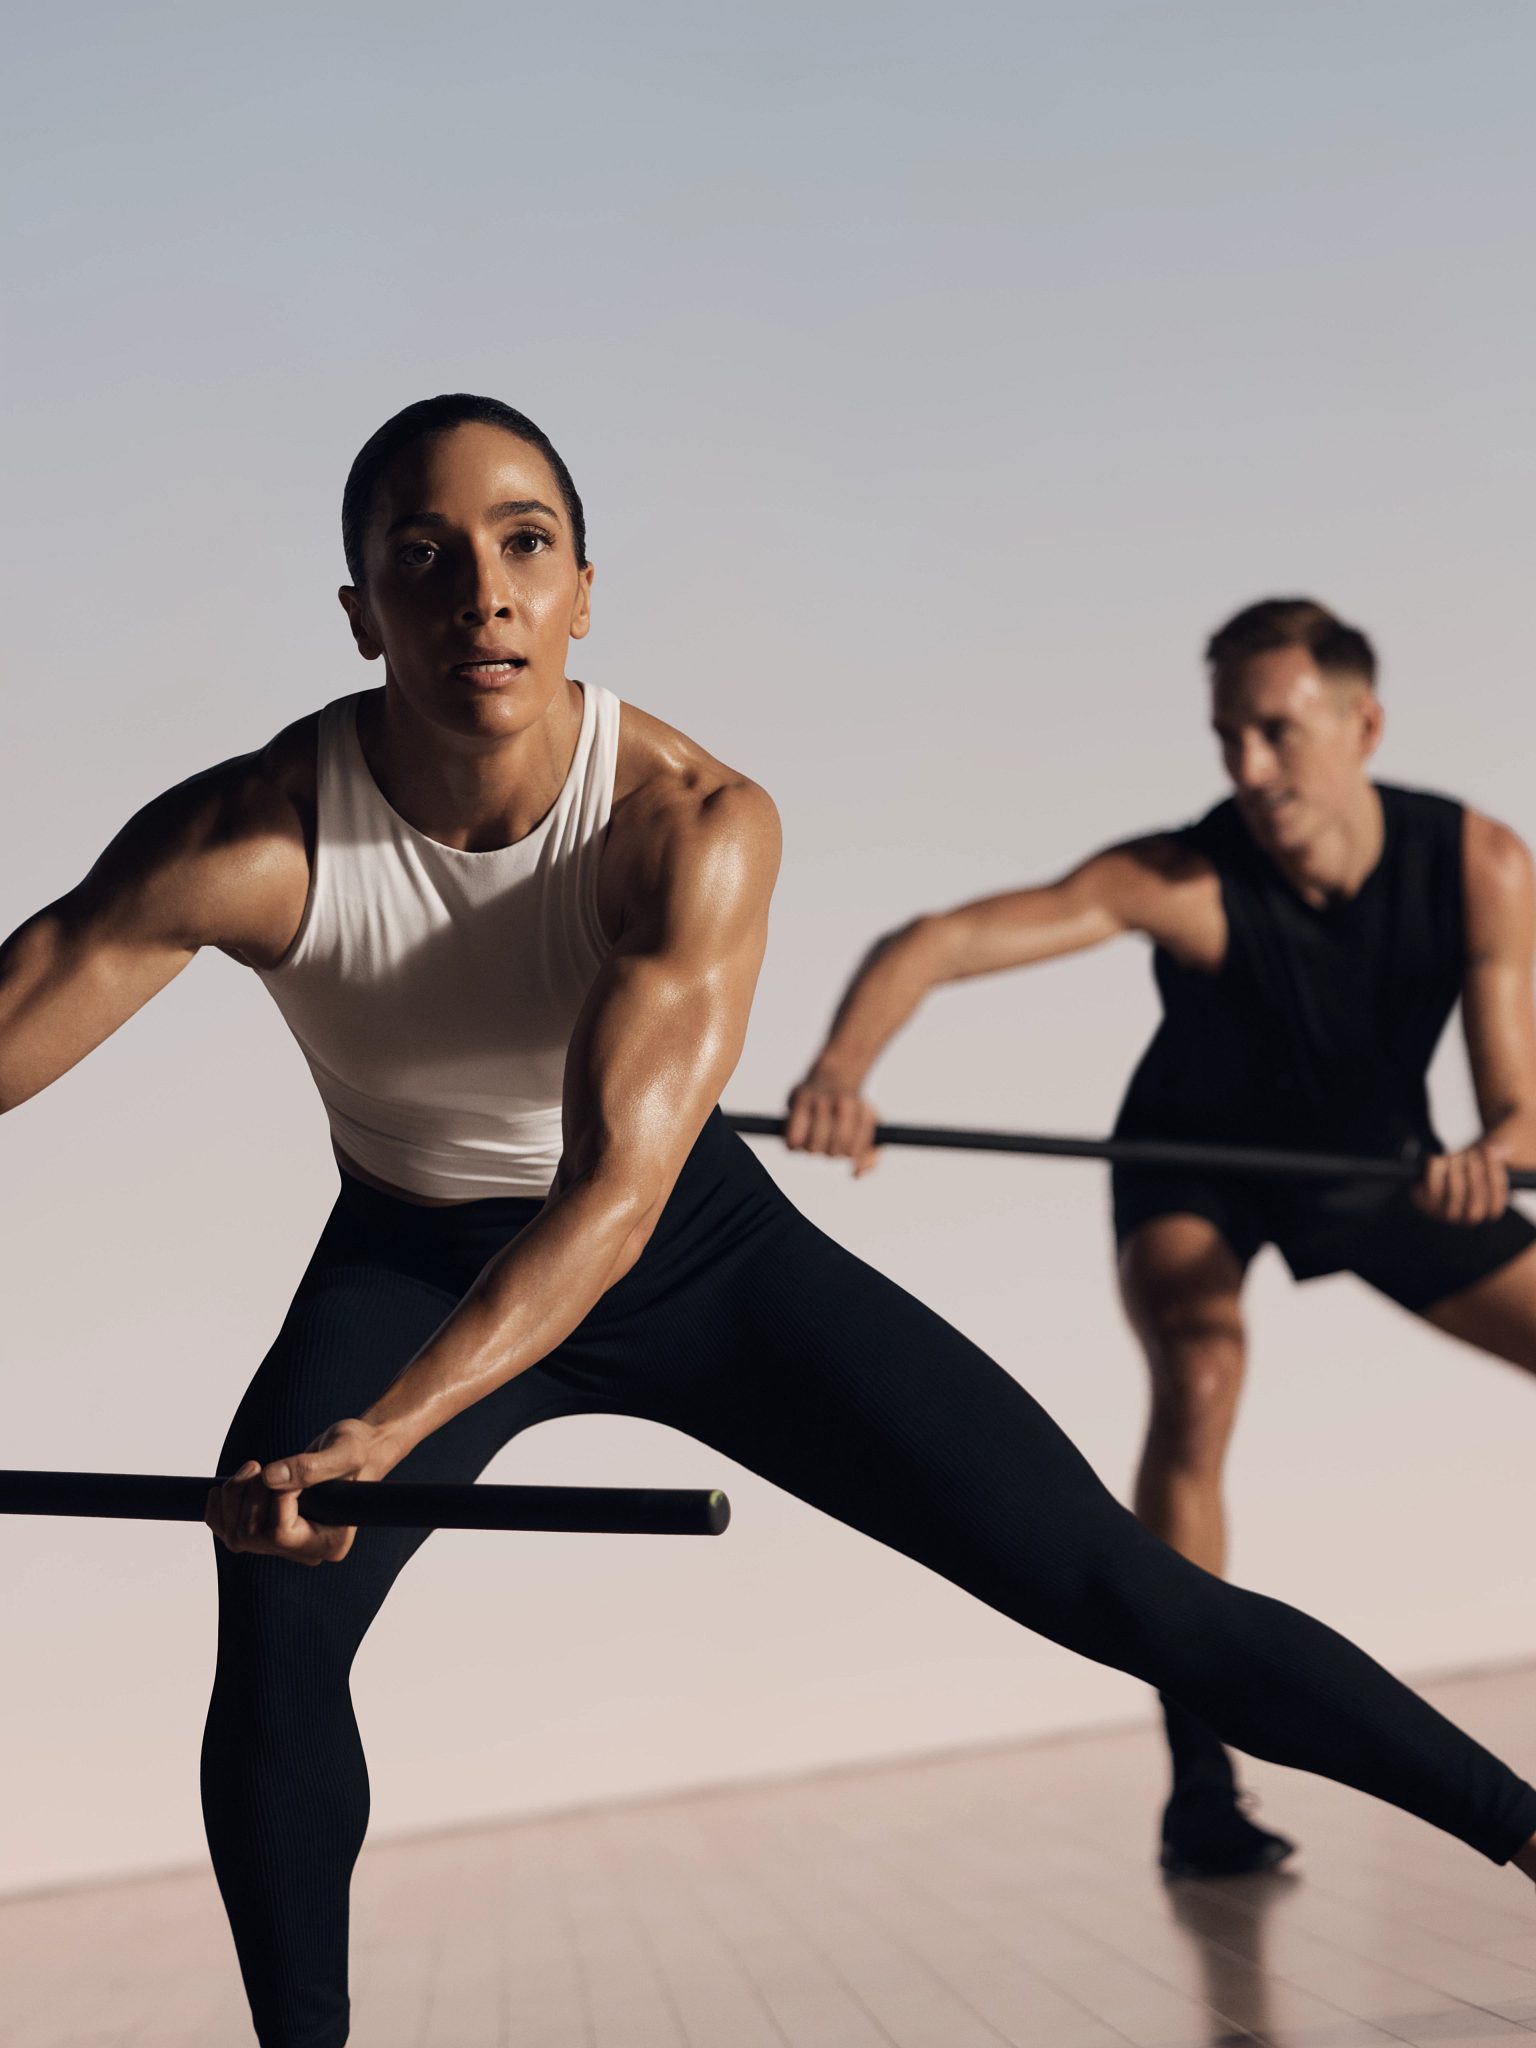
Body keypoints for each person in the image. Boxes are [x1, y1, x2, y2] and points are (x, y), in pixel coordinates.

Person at [4, 415, 1536, 2048]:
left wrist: (384, 1432)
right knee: (277, 1632)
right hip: (406, 1251)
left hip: (689, 1249)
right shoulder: (253, 840)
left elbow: (606, 1197)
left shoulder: (688, 820)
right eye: (422, 556)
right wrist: (368, 1435)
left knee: (1115, 1582)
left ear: (584, 590)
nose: (481, 597)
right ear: (360, 606)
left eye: (525, 545)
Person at [784, 596, 1536, 1878]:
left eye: (1276, 731)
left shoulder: (1479, 863)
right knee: (1198, 1374)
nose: (1247, 769)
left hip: (1372, 1167)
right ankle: (1202, 1783)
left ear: (1363, 723)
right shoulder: (1186, 881)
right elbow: (940, 941)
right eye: (1226, 736)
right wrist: (842, 1069)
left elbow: (1516, 1108)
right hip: (1194, 1167)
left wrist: (1495, 1162)